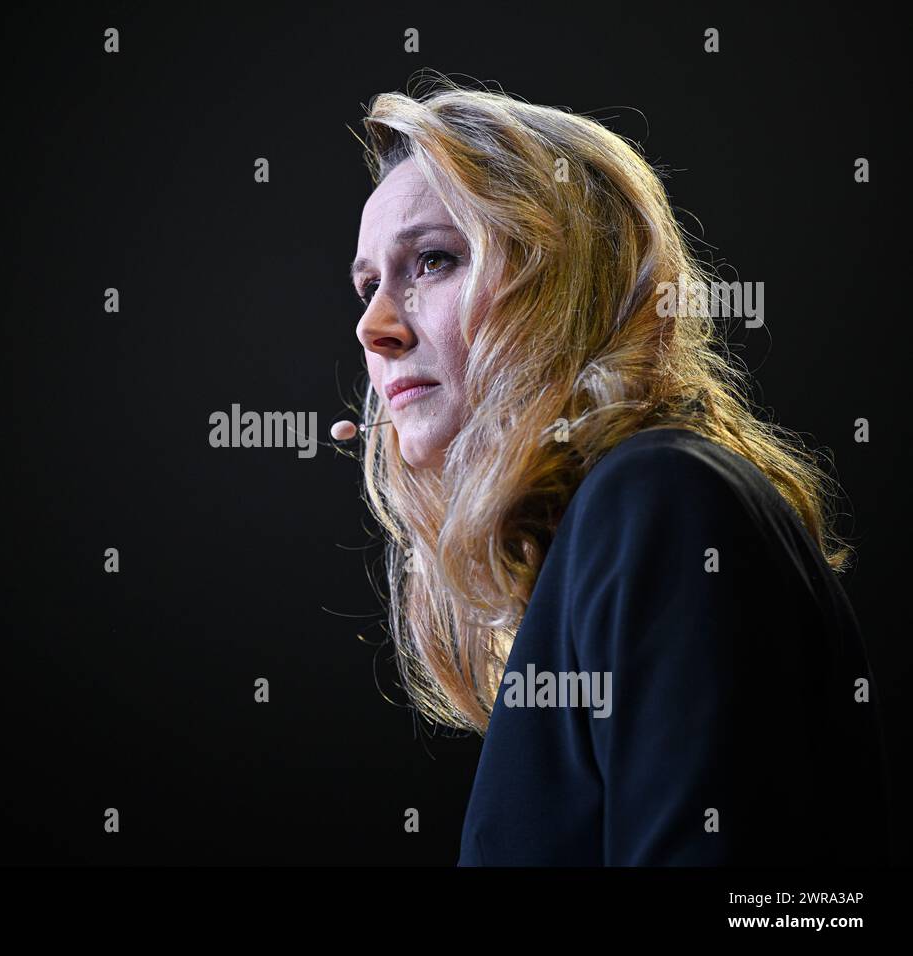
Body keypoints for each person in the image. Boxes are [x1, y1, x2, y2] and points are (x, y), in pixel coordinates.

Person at [346, 75, 893, 865]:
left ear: (571, 281)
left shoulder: (662, 498)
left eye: (433, 260)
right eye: (368, 286)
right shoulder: (621, 523)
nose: (375, 326)